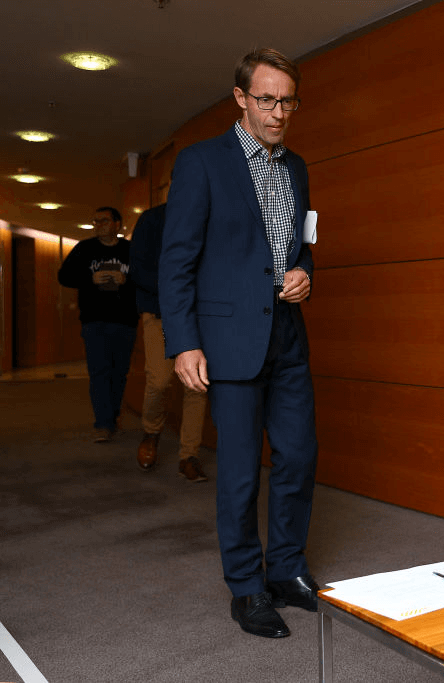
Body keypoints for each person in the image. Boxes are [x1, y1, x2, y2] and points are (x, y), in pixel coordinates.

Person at [159, 48, 319, 639]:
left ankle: (285, 569)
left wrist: (305, 271)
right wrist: (183, 342)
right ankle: (247, 588)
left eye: (288, 101)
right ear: (241, 99)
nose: (279, 113)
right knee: (241, 473)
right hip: (227, 339)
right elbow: (176, 262)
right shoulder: (202, 163)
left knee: (299, 457)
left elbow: (303, 242)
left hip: (287, 334)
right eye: (267, 100)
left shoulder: (297, 167)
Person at [129, 202, 209, 482]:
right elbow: (137, 269)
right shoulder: (152, 218)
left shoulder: (209, 214)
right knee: (159, 380)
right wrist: (179, 290)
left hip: (202, 314)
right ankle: (151, 432)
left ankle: (189, 455)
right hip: (161, 312)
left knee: (197, 385)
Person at [58, 207, 139, 443]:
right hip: (94, 322)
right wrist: (89, 278)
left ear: (117, 224)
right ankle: (103, 424)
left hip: (125, 321)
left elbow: (147, 279)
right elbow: (63, 276)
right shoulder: (85, 249)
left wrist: (127, 280)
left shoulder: (131, 250)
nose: (99, 224)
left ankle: (112, 416)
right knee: (99, 372)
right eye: (96, 221)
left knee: (119, 373)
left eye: (104, 220)